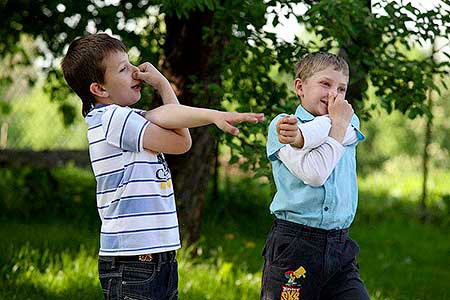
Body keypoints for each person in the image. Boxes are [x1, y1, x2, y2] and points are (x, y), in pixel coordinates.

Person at [61, 33, 264, 300]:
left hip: (157, 258)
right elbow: (176, 130)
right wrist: (214, 115)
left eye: (131, 64)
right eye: (123, 69)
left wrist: (164, 85)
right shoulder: (110, 119)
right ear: (99, 89)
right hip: (133, 262)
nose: (135, 73)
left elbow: (180, 139)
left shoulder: (126, 119)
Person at [261, 52, 370, 300]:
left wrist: (302, 137)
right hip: (295, 244)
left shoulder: (349, 123)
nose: (334, 94)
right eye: (325, 84)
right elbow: (315, 173)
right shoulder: (283, 125)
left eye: (342, 89)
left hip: (340, 246)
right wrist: (332, 125)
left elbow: (337, 128)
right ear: (300, 86)